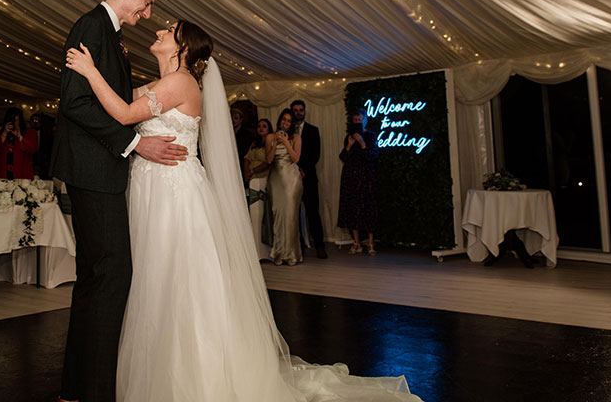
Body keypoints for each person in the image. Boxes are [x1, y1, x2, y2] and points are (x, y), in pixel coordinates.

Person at [66, 20, 420, 401]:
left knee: (176, 280)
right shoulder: (159, 83)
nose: (161, 29)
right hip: (148, 188)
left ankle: (193, 379)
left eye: (170, 30)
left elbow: (121, 114)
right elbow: (121, 108)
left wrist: (88, 71)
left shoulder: (182, 82)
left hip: (174, 194)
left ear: (182, 47)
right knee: (153, 279)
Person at [51, 0, 186, 402]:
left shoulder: (109, 35)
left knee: (95, 278)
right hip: (95, 171)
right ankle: (95, 391)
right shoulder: (92, 27)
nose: (147, 14)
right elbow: (75, 104)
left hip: (98, 171)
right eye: (147, 4)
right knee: (112, 276)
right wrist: (133, 144)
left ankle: (78, 387)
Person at [338, 110, 379, 255]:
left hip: (366, 177)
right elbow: (343, 157)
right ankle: (356, 243)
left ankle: (370, 243)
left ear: (365, 120)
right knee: (352, 209)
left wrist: (362, 143)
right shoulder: (349, 137)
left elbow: (373, 156)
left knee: (368, 208)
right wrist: (349, 145)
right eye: (355, 119)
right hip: (351, 177)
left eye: (359, 119)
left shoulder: (371, 135)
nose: (357, 121)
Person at [267, 108, 303, 266]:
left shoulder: (296, 137)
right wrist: (275, 142)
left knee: (290, 216)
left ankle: (292, 254)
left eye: (289, 121)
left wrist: (286, 142)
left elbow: (296, 158)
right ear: (279, 120)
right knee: (278, 215)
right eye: (284, 119)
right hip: (275, 178)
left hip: (291, 179)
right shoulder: (270, 137)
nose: (286, 123)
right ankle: (279, 252)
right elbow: (268, 160)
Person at [291, 99, 327, 259]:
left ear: (305, 111)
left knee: (313, 212)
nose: (298, 112)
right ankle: (298, 246)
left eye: (301, 110)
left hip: (309, 177)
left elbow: (315, 154)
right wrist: (296, 170)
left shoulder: (313, 130)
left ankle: (320, 245)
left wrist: (304, 169)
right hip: (291, 177)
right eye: (296, 110)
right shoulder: (288, 131)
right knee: (294, 213)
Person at [244, 117, 273, 260]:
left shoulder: (270, 143)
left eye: (264, 126)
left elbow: (268, 162)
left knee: (262, 217)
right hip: (252, 179)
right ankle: (255, 250)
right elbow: (247, 158)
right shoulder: (254, 144)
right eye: (259, 126)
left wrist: (253, 171)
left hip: (263, 179)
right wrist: (246, 173)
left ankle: (264, 252)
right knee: (254, 217)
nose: (261, 128)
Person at [0, 108, 37, 181]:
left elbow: (32, 149)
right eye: (11, 121)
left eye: (16, 121)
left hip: (22, 174)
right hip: (4, 174)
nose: (14, 124)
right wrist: (4, 134)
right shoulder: (2, 134)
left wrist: (20, 137)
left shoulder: (30, 133)